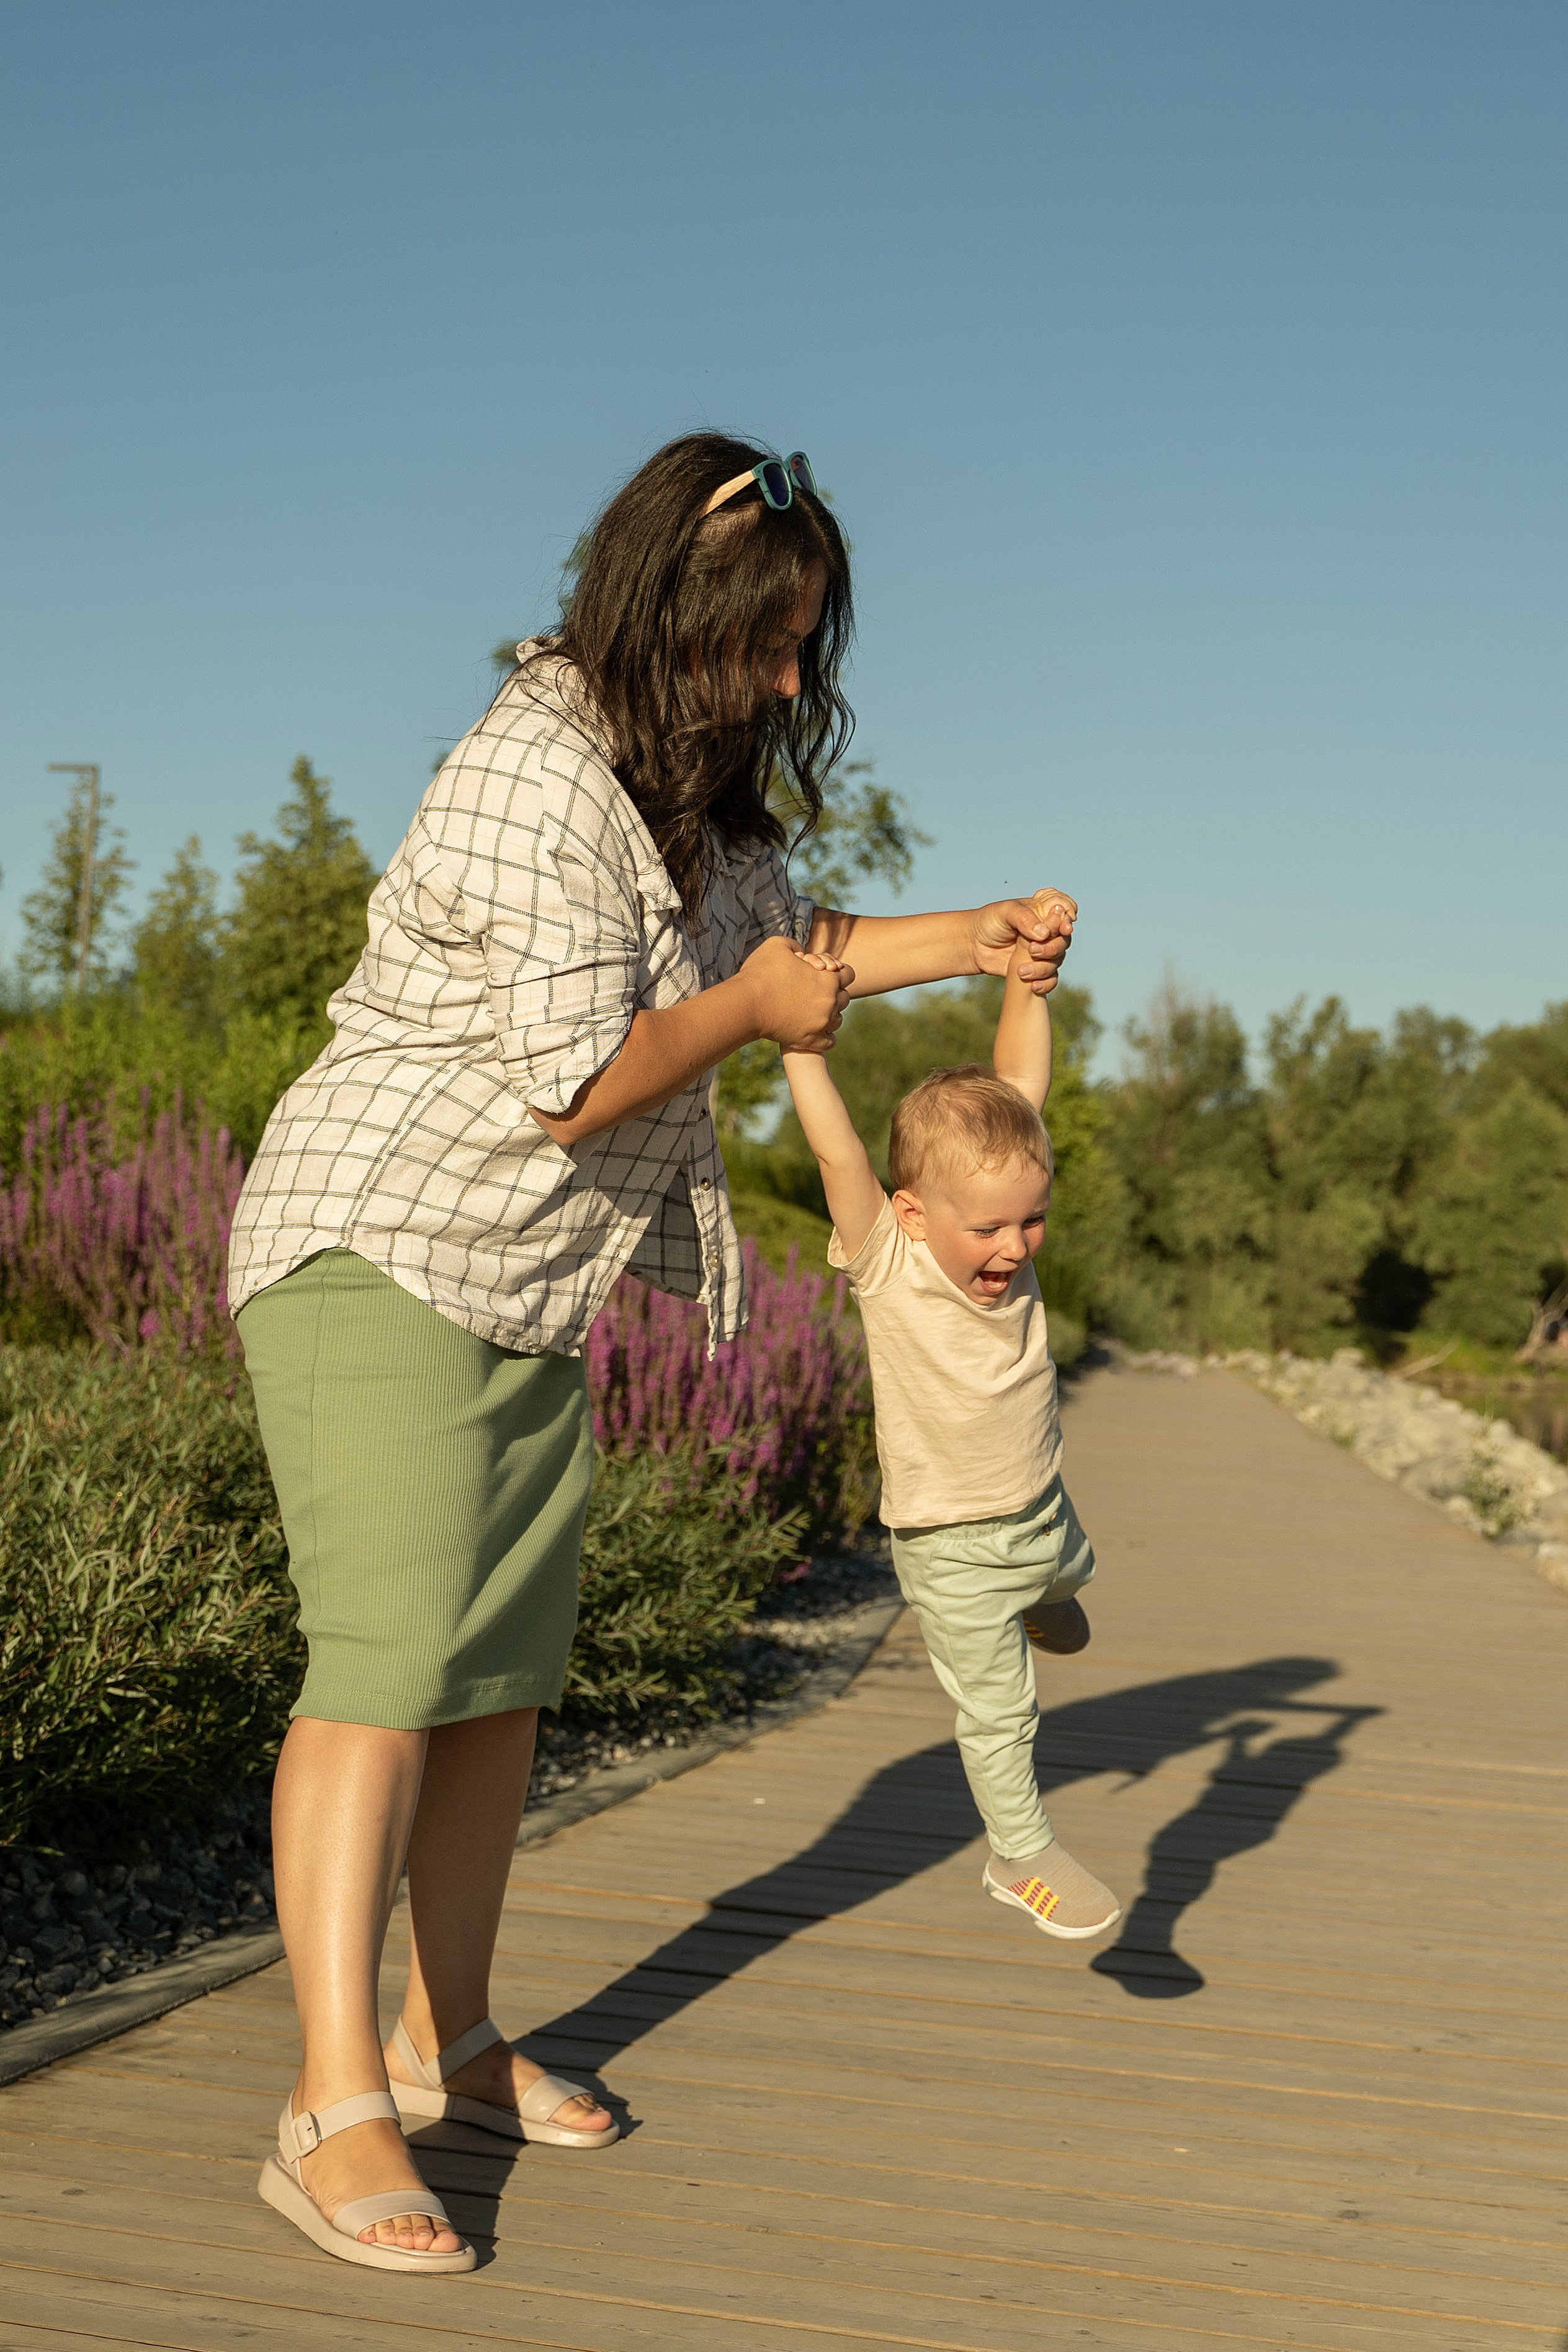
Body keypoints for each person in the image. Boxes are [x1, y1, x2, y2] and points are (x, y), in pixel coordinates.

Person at [226, 432, 1077, 2274]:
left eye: (805, 648)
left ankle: (443, 2045)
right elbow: (574, 1080)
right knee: (381, 1667)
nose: (789, 680)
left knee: (495, 1684)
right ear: (675, 607)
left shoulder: (684, 792)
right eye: (769, 641)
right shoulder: (534, 774)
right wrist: (755, 1007)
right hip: (381, 1240)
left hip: (522, 1277)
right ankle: (327, 2101)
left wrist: (977, 931)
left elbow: (796, 950)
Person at [782, 904, 1121, 1945]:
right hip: (952, 1541)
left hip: (1040, 1503)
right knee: (1001, 1710)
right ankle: (1020, 1855)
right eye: (990, 1227)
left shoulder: (996, 1214)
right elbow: (841, 1158)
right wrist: (802, 1053)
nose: (1016, 1247)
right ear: (915, 1212)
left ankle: (1046, 1594)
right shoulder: (888, 1257)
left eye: (1034, 1218)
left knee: (1073, 1573)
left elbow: (1022, 1088)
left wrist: (1027, 979)